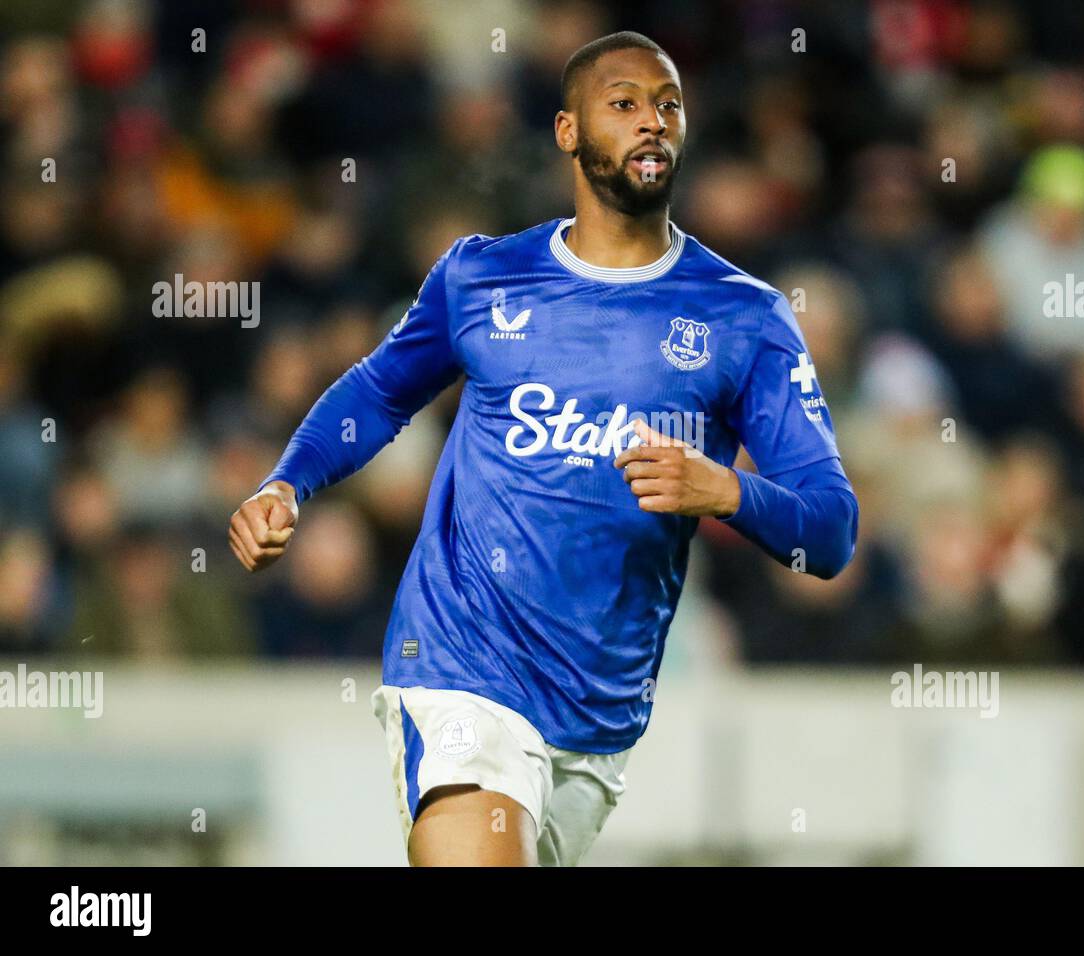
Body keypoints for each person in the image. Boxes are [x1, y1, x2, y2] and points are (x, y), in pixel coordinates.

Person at [228, 32, 858, 866]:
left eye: (669, 106)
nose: (652, 124)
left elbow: (833, 531)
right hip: (460, 665)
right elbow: (382, 390)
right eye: (625, 104)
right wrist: (289, 483)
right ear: (568, 132)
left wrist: (728, 492)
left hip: (596, 718)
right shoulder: (482, 279)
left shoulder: (744, 318)